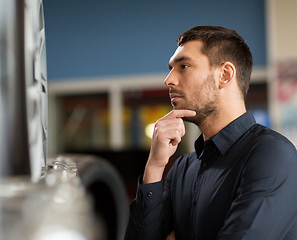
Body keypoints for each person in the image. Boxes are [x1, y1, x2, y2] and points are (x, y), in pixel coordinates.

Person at [124, 26, 297, 240]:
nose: (168, 80)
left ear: (224, 75)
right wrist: (154, 168)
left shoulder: (273, 154)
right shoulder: (182, 168)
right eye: (171, 68)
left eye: (184, 66)